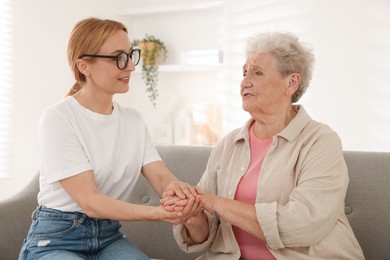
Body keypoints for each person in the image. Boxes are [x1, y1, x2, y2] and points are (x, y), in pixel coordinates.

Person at [163, 32, 365, 259]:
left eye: (257, 73)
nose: (244, 82)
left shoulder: (320, 141)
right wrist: (193, 215)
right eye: (244, 72)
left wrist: (216, 203)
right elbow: (205, 232)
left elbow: (303, 224)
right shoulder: (228, 145)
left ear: (291, 83)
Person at [18, 17, 198, 260]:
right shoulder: (58, 118)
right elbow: (91, 202)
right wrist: (158, 213)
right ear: (84, 66)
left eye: (130, 55)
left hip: (108, 237)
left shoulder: (133, 120)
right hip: (56, 238)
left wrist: (180, 192)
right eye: (118, 58)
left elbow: (162, 178)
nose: (131, 67)